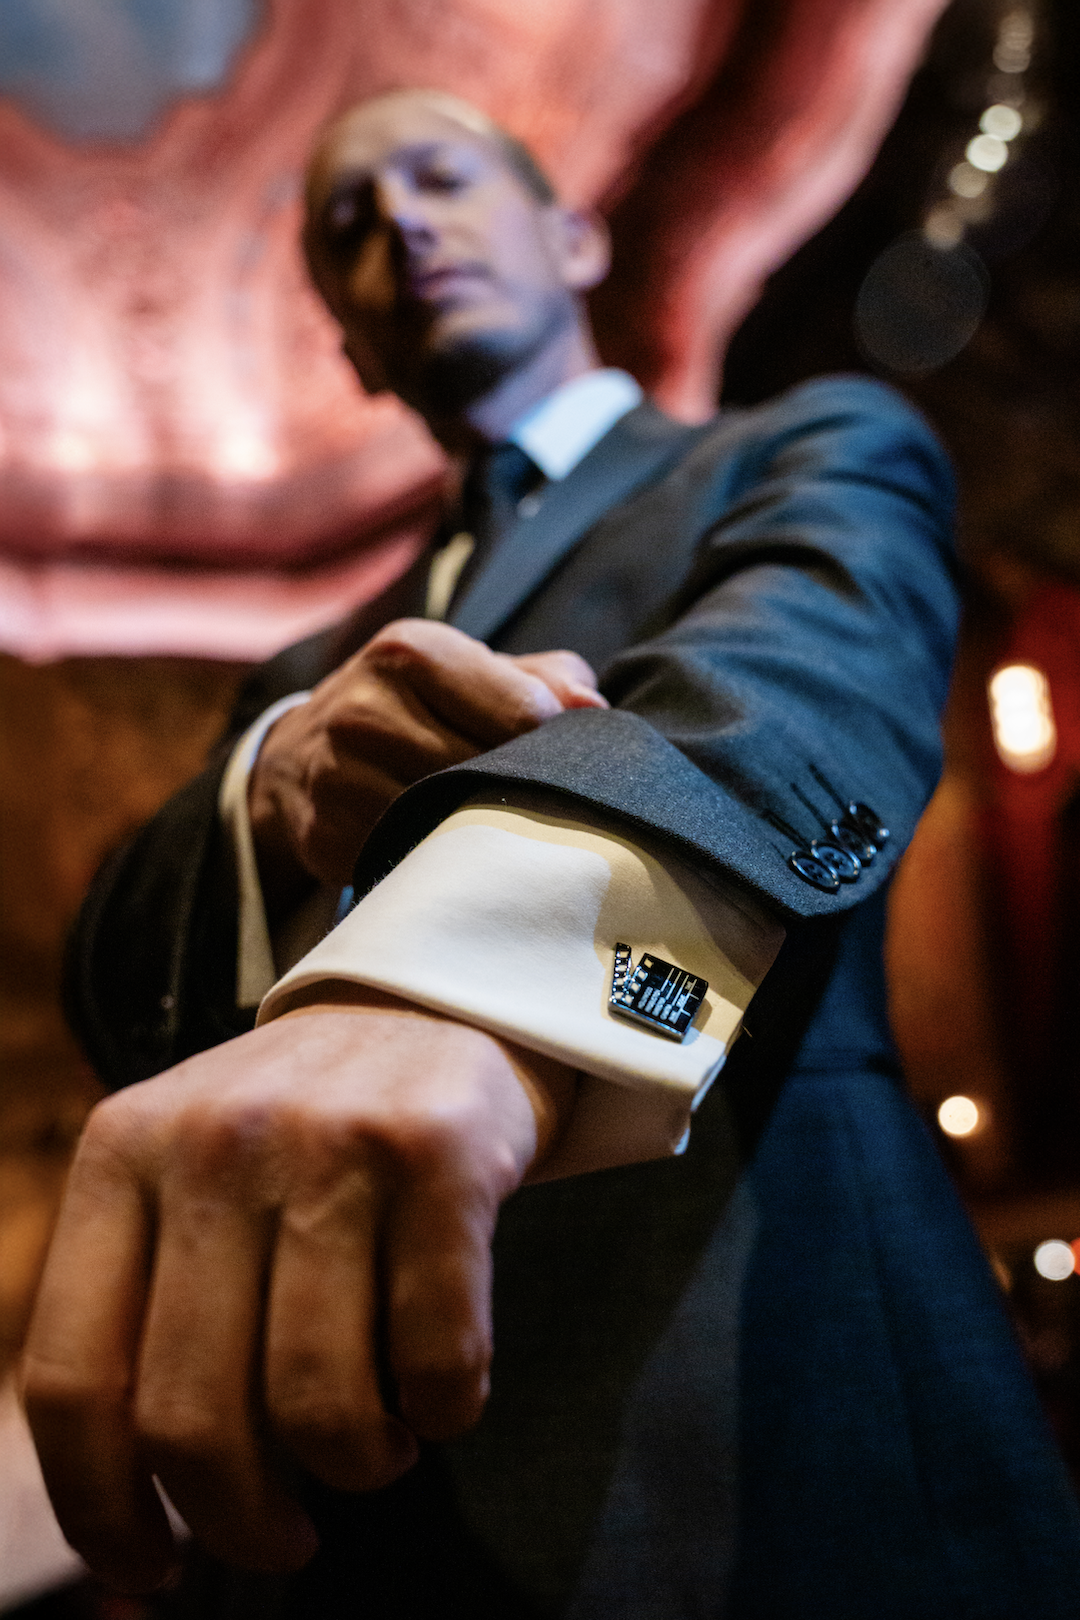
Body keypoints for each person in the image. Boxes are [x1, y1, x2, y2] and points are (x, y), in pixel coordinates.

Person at [24, 90, 1080, 1618]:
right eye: (346, 227)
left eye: (439, 178)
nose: (397, 225)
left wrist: (463, 971)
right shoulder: (303, 668)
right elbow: (110, 960)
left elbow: (804, 670)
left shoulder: (797, 447)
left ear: (575, 236)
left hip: (780, 1423)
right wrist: (268, 785)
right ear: (355, 349)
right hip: (365, 1509)